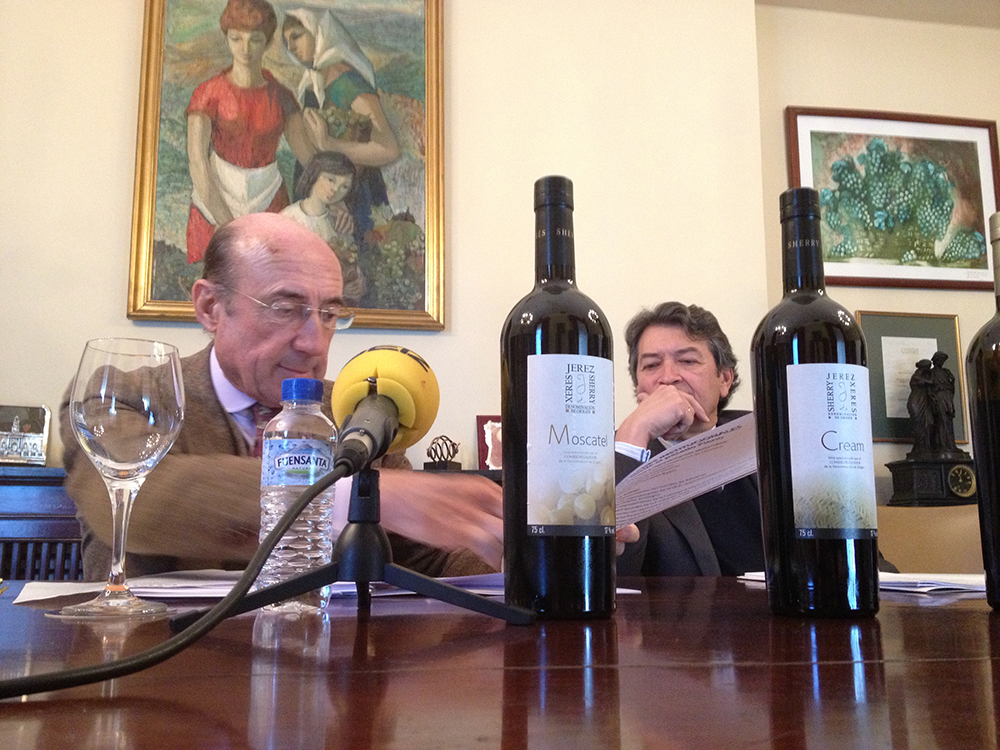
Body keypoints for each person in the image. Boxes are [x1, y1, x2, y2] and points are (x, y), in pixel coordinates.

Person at [62, 212, 503, 581]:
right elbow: (133, 497)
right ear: (210, 307)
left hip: (321, 653)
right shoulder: (122, 393)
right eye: (285, 309)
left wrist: (505, 555)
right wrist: (350, 496)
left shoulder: (358, 412)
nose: (314, 343)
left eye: (329, 313)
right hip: (151, 649)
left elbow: (424, 559)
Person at [614, 302, 764, 576]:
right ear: (638, 385)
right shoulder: (609, 461)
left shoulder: (764, 441)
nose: (668, 378)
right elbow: (612, 572)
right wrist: (636, 431)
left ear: (724, 379)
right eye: (651, 365)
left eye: (687, 361)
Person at [185, 0, 315, 264]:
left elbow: (310, 160)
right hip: (215, 202)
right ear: (227, 38)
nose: (245, 49)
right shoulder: (208, 93)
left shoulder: (281, 97)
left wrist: (333, 198)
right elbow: (198, 163)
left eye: (255, 40)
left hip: (269, 200)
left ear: (267, 42)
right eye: (236, 39)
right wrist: (227, 224)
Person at [280, 7, 401, 247]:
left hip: (353, 193)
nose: (291, 47)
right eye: (287, 42)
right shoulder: (313, 82)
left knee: (351, 259)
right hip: (320, 193)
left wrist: (330, 144)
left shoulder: (345, 82)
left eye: (297, 36)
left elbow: (389, 149)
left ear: (320, 33)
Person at [281, 151, 365, 306]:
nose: (335, 189)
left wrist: (357, 282)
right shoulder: (288, 219)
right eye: (330, 180)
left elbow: (350, 262)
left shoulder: (339, 222)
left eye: (344, 186)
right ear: (315, 174)